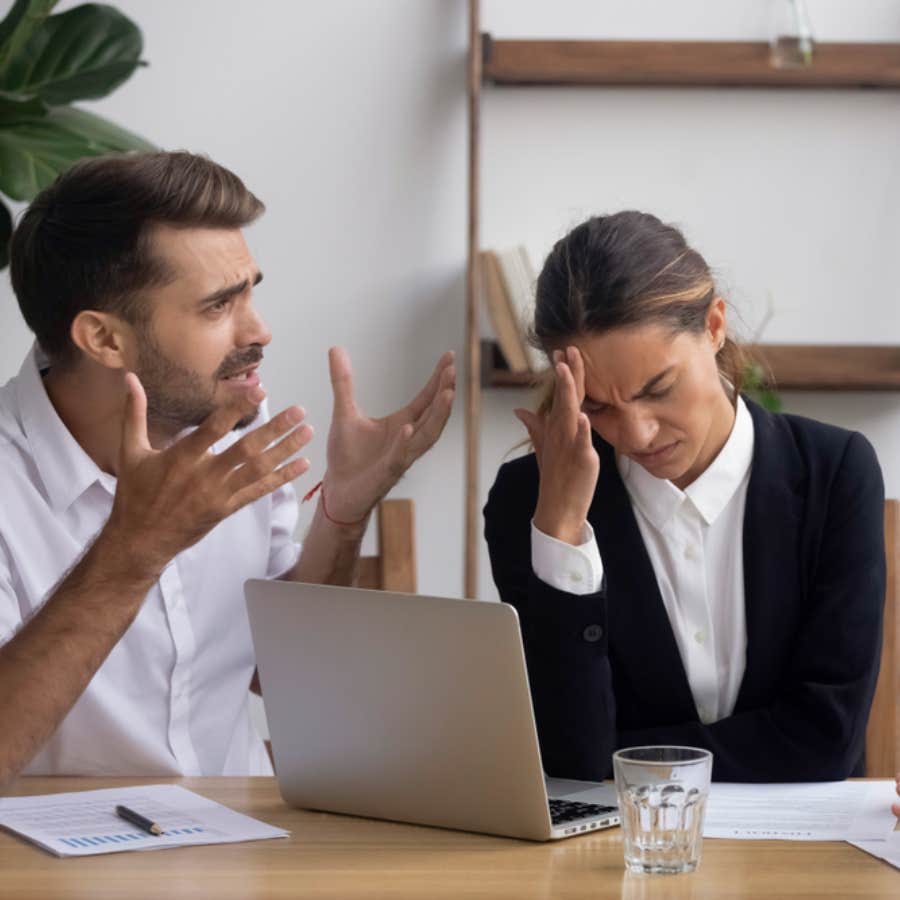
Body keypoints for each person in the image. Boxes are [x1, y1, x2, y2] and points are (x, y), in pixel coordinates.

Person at [0, 151, 455, 785]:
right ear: (103, 339)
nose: (260, 330)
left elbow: (286, 675)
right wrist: (135, 548)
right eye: (217, 307)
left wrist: (341, 515)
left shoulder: (233, 436)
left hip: (239, 853)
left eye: (251, 293)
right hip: (53, 874)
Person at [484, 211, 885, 783]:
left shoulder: (836, 473)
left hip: (806, 859)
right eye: (597, 406)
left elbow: (826, 740)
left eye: (659, 389)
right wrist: (562, 532)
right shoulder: (529, 503)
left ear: (715, 325)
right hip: (609, 860)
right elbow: (567, 761)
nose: (637, 434)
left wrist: (618, 754)